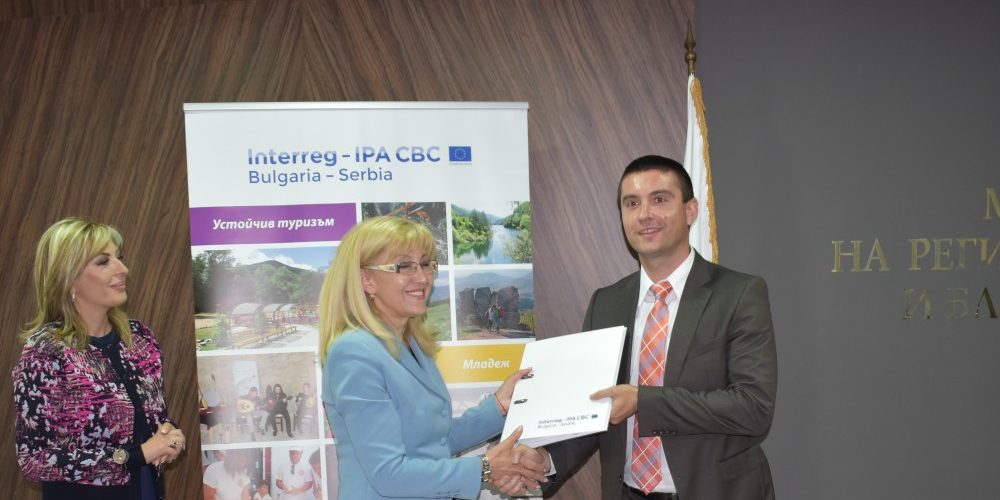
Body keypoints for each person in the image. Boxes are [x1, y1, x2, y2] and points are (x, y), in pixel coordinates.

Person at [540, 156, 778, 500]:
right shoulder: (605, 303)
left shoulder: (738, 294)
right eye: (631, 203)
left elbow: (752, 407)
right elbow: (594, 408)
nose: (644, 214)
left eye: (660, 199)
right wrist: (545, 461)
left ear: (690, 210)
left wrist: (642, 401)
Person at [318, 215, 548, 499]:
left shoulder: (410, 344)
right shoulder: (354, 352)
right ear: (367, 280)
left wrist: (499, 406)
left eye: (426, 263)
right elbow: (388, 474)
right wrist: (485, 469)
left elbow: (433, 443)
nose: (423, 277)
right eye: (405, 266)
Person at [12, 217, 186, 500]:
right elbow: (35, 460)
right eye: (104, 261)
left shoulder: (140, 338)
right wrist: (135, 455)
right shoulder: (46, 351)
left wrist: (171, 434)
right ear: (69, 278)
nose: (123, 269)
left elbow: (151, 420)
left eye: (119, 258)